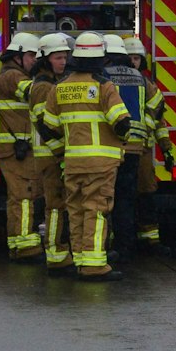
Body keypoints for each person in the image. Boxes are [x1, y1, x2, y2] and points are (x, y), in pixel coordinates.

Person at [40, 31, 131, 282]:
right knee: (97, 210)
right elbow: (121, 122)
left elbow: (46, 126)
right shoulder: (103, 86)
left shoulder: (60, 87)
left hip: (72, 163)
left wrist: (61, 150)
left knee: (77, 209)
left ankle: (80, 258)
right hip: (101, 162)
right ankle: (94, 265)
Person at [123, 35, 176, 257]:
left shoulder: (147, 86)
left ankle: (149, 239)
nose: (133, 62)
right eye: (129, 57)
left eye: (136, 58)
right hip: (121, 149)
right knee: (122, 196)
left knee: (146, 193)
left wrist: (166, 149)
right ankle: (124, 240)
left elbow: (159, 121)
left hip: (144, 151)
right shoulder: (111, 83)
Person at [0, 31, 45, 263]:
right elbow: (34, 94)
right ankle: (26, 247)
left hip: (16, 149)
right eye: (32, 55)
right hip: (16, 150)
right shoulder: (12, 76)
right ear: (18, 56)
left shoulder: (11, 74)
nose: (34, 60)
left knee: (18, 197)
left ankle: (18, 243)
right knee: (24, 196)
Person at [99, 33, 149, 260]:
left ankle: (105, 245)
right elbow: (156, 103)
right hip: (135, 147)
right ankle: (125, 246)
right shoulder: (139, 77)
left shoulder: (101, 76)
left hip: (110, 148)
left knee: (105, 199)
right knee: (126, 200)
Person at [31, 33, 74, 274]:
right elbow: (44, 125)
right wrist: (60, 155)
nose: (63, 62)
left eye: (65, 57)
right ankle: (57, 254)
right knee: (56, 205)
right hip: (50, 156)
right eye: (58, 57)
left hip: (52, 154)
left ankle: (59, 250)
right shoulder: (42, 87)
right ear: (46, 60)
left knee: (59, 204)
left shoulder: (52, 84)